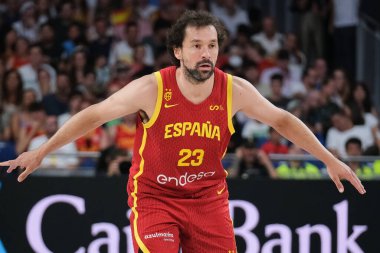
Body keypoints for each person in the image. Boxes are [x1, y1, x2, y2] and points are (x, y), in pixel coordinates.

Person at [0, 10, 365, 253]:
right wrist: (42, 150)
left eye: (212, 45)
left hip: (208, 199)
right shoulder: (151, 88)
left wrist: (329, 159)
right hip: (156, 198)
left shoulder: (233, 89)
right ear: (178, 51)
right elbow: (94, 115)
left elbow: (282, 121)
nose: (206, 53)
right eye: (196, 46)